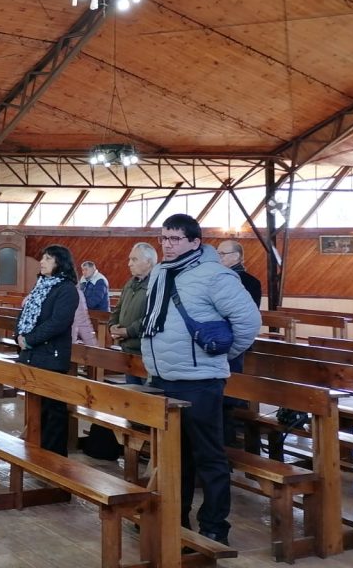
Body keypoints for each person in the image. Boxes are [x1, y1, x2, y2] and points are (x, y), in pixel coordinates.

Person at [140, 214, 261, 545]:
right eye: (164, 238)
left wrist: (218, 355)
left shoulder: (214, 275)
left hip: (200, 381)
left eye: (175, 239)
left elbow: (249, 321)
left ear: (195, 242)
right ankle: (176, 518)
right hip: (163, 377)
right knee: (173, 455)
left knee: (208, 456)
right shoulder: (161, 272)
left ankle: (214, 526)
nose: (167, 245)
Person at [15, 244, 81, 456]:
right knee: (38, 409)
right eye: (43, 258)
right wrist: (19, 335)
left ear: (60, 263)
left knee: (53, 411)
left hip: (52, 357)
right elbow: (25, 312)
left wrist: (29, 340)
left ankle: (54, 459)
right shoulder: (41, 286)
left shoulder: (67, 290)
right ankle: (36, 453)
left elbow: (58, 323)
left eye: (48, 258)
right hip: (33, 356)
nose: (42, 262)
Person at [216, 239, 263, 445]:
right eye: (218, 253)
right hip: (219, 343)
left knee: (229, 395)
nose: (219, 257)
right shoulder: (218, 278)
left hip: (234, 345)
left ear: (236, 256)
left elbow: (244, 318)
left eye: (222, 254)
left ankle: (231, 440)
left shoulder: (249, 282)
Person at [109, 242, 157, 384]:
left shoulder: (156, 284)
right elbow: (118, 308)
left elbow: (152, 316)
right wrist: (112, 326)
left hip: (146, 352)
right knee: (131, 392)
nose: (129, 264)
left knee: (146, 393)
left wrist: (128, 331)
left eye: (134, 259)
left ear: (148, 262)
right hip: (128, 350)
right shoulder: (130, 283)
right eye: (130, 259)